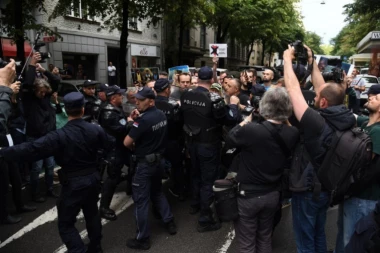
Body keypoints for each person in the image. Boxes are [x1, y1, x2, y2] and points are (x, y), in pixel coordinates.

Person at [0, 92, 113, 253]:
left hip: (73, 183)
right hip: (93, 179)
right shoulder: (95, 130)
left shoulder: (59, 136)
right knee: (92, 214)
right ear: (82, 109)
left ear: (66, 110)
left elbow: (32, 149)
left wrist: (4, 152)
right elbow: (110, 145)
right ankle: (96, 247)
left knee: (66, 224)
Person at [283, 44, 356, 253]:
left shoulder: (316, 123)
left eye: (316, 98)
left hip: (307, 190)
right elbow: (322, 89)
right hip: (326, 188)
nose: (313, 99)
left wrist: (287, 59)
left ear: (323, 103)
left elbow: (293, 90)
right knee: (318, 234)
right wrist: (312, 61)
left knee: (305, 240)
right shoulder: (346, 116)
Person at [227, 87, 299, 253]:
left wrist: (249, 118)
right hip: (273, 194)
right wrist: (285, 115)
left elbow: (231, 136)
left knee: (246, 242)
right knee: (265, 237)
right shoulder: (293, 133)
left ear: (264, 106)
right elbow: (287, 124)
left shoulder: (251, 130)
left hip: (249, 195)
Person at [180, 66, 240, 232]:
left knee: (195, 174)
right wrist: (234, 106)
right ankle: (205, 219)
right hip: (208, 145)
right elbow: (229, 120)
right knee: (208, 180)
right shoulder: (214, 99)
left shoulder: (186, 95)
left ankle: (195, 204)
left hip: (191, 142)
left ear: (198, 78)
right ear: (212, 80)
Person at [123, 86, 177, 250]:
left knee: (141, 201)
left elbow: (126, 142)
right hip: (158, 161)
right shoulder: (160, 114)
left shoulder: (143, 120)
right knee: (157, 192)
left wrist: (131, 122)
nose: (136, 102)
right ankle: (169, 221)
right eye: (136, 99)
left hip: (145, 164)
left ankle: (143, 239)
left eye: (140, 100)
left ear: (151, 101)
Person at [335, 84, 380, 252]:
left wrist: (349, 186)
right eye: (371, 94)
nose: (371, 96)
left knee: (352, 242)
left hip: (364, 199)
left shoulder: (378, 131)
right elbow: (334, 106)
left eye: (376, 96)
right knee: (343, 236)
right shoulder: (365, 123)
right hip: (352, 196)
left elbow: (369, 169)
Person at [23, 54, 62, 203]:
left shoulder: (45, 97)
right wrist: (32, 65)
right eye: (40, 92)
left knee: (50, 165)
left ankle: (50, 189)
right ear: (35, 90)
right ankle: (35, 193)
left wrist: (44, 70)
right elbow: (26, 84)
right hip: (36, 137)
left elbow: (56, 81)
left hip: (49, 136)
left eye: (45, 92)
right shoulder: (29, 99)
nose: (43, 94)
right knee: (37, 167)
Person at [98, 85, 131, 221]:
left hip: (121, 146)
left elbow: (123, 122)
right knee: (112, 178)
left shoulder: (115, 109)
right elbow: (121, 129)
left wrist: (129, 119)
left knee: (132, 165)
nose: (122, 97)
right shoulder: (108, 113)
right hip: (114, 149)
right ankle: (104, 207)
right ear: (113, 98)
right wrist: (131, 122)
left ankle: (131, 188)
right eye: (120, 95)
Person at [0, 59, 26, 224]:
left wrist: (13, 98)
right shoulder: (3, 91)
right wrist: (5, 89)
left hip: (8, 142)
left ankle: (20, 205)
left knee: (15, 177)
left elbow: (12, 116)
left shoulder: (4, 94)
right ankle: (3, 215)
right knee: (2, 184)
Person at [154, 79, 185, 200]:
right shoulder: (173, 104)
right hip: (172, 141)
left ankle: (156, 192)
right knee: (177, 166)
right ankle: (179, 190)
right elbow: (180, 122)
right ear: (167, 90)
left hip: (156, 142)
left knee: (155, 167)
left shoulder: (151, 103)